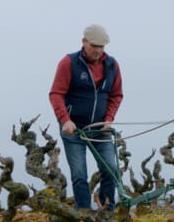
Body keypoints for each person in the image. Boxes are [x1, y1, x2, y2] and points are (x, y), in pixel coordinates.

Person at [49, 23, 123, 211]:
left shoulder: (112, 65)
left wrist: (109, 119)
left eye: (101, 47)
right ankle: (84, 215)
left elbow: (116, 95)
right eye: (94, 46)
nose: (98, 51)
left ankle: (107, 212)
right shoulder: (69, 63)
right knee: (79, 173)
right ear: (84, 42)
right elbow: (56, 94)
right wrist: (65, 120)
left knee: (111, 169)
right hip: (74, 130)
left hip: (100, 129)